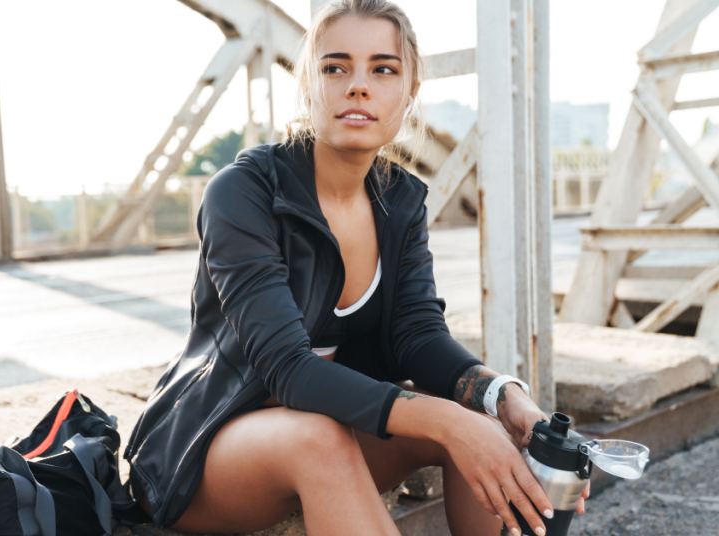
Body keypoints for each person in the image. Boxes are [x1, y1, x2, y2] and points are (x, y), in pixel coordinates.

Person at [123, 1, 588, 535]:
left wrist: (505, 396)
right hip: (207, 451)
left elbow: (418, 336)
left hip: (328, 433)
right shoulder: (245, 192)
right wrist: (450, 420)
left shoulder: (400, 201)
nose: (358, 86)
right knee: (325, 437)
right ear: (308, 85)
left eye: (383, 69)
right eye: (334, 67)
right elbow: (287, 369)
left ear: (409, 91)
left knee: (487, 429)